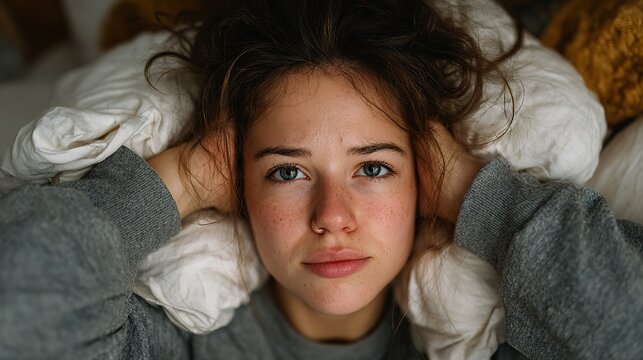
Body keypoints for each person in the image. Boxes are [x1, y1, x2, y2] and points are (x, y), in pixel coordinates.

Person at [0, 0, 641, 359]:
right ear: (236, 186)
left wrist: (482, 194)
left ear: (426, 181)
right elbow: (19, 309)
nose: (333, 215)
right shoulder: (172, 344)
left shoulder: (501, 343)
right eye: (286, 170)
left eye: (373, 167)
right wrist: (188, 175)